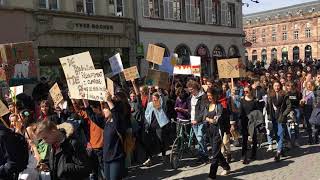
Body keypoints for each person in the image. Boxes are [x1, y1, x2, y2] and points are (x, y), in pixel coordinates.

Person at [83, 91, 127, 180]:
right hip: (106, 159)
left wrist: (109, 101)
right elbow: (91, 115)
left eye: (105, 108)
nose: (103, 110)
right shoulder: (105, 122)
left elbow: (116, 114)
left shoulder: (118, 123)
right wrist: (84, 99)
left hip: (116, 158)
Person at [204, 87, 231, 180]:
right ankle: (226, 167)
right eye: (208, 96)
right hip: (210, 131)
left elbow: (216, 120)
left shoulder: (219, 106)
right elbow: (205, 117)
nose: (209, 97)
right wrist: (208, 119)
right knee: (217, 152)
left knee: (214, 154)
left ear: (215, 96)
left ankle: (212, 175)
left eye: (210, 96)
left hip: (218, 132)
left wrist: (209, 119)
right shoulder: (208, 105)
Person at [267, 81, 291, 162]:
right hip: (273, 117)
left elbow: (289, 106)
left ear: (280, 86)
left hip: (281, 117)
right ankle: (282, 150)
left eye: (278, 86)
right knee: (277, 134)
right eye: (275, 86)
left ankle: (278, 152)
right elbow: (268, 106)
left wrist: (284, 114)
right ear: (273, 86)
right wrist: (269, 116)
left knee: (280, 134)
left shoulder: (284, 94)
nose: (277, 87)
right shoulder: (270, 95)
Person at [144, 92, 169, 166]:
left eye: (155, 98)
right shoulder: (150, 104)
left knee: (161, 140)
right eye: (153, 98)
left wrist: (159, 91)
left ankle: (163, 155)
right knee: (150, 142)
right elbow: (146, 113)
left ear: (158, 98)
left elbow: (163, 100)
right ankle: (149, 158)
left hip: (159, 125)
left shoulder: (160, 104)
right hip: (151, 125)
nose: (154, 99)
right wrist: (146, 122)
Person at [187, 80, 209, 163]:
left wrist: (198, 119)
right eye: (189, 89)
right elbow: (191, 109)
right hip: (193, 121)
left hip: (201, 121)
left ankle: (205, 155)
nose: (190, 91)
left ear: (196, 88)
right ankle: (201, 155)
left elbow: (203, 110)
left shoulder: (203, 96)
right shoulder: (191, 97)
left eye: (192, 89)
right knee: (199, 139)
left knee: (200, 138)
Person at [240, 86, 258, 164]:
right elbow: (240, 111)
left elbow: (257, 112)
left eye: (247, 91)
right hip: (244, 122)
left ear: (250, 91)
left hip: (252, 122)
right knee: (244, 139)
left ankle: (253, 154)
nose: (245, 93)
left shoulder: (255, 100)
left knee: (254, 138)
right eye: (244, 92)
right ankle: (243, 155)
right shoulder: (242, 100)